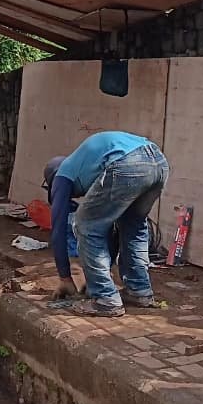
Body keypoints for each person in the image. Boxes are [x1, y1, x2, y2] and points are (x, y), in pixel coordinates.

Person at [43, 131, 169, 318]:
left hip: (128, 162)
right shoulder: (87, 165)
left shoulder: (62, 175)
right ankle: (139, 291)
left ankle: (106, 300)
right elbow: (108, 229)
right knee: (132, 225)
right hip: (158, 162)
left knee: (85, 223)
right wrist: (102, 273)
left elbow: (58, 230)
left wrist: (65, 278)